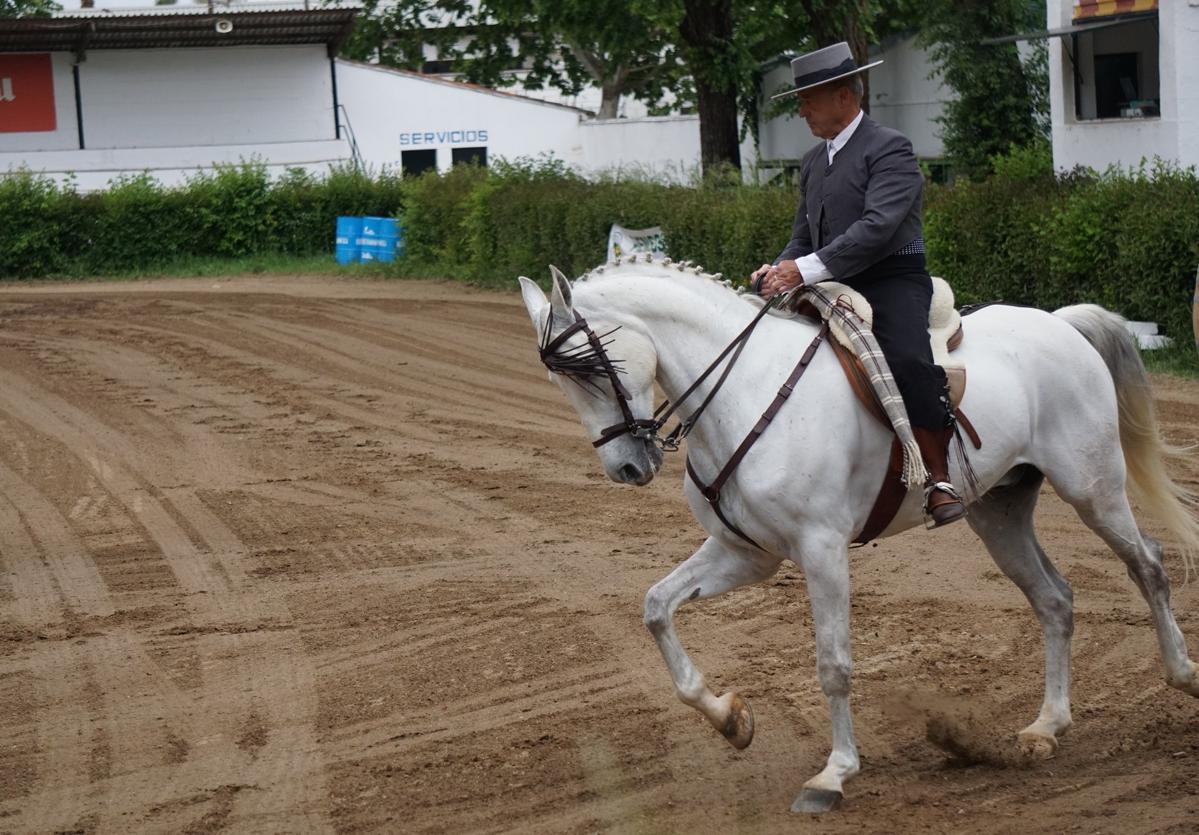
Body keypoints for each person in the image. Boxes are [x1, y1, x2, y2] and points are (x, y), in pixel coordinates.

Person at [751, 41, 965, 527]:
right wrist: (777, 268)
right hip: (834, 279)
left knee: (908, 358)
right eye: (801, 101)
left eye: (810, 99)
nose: (802, 109)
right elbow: (802, 235)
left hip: (891, 279)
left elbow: (878, 227)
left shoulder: (890, 147)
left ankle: (937, 477)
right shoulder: (812, 161)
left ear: (845, 98)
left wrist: (803, 269)